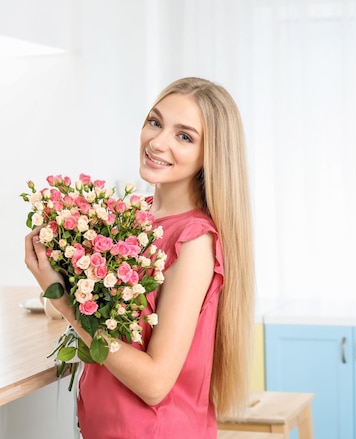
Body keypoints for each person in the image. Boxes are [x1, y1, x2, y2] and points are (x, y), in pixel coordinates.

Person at [24, 77, 255, 439]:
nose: (158, 142)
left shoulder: (193, 241)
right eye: (155, 122)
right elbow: (99, 314)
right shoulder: (134, 219)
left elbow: (155, 382)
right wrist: (56, 275)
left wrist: (64, 300)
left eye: (184, 136)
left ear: (210, 156)